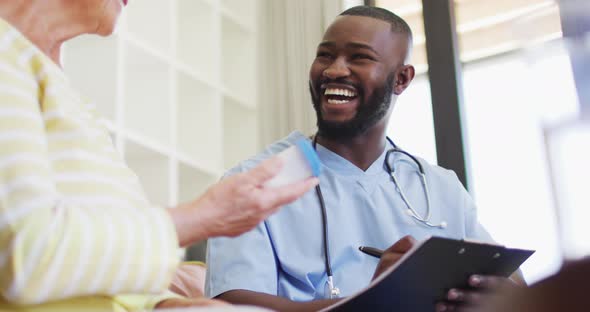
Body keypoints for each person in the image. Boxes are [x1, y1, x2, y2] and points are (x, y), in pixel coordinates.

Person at [0, 0, 317, 311]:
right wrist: (202, 216)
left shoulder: (60, 89)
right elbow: (27, 255)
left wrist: (166, 303)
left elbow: (87, 270)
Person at [205, 5, 523, 312]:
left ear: (401, 79)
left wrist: (500, 298)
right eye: (325, 55)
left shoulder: (440, 188)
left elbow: (512, 284)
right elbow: (234, 307)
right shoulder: (256, 181)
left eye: (359, 57)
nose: (334, 70)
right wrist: (383, 299)